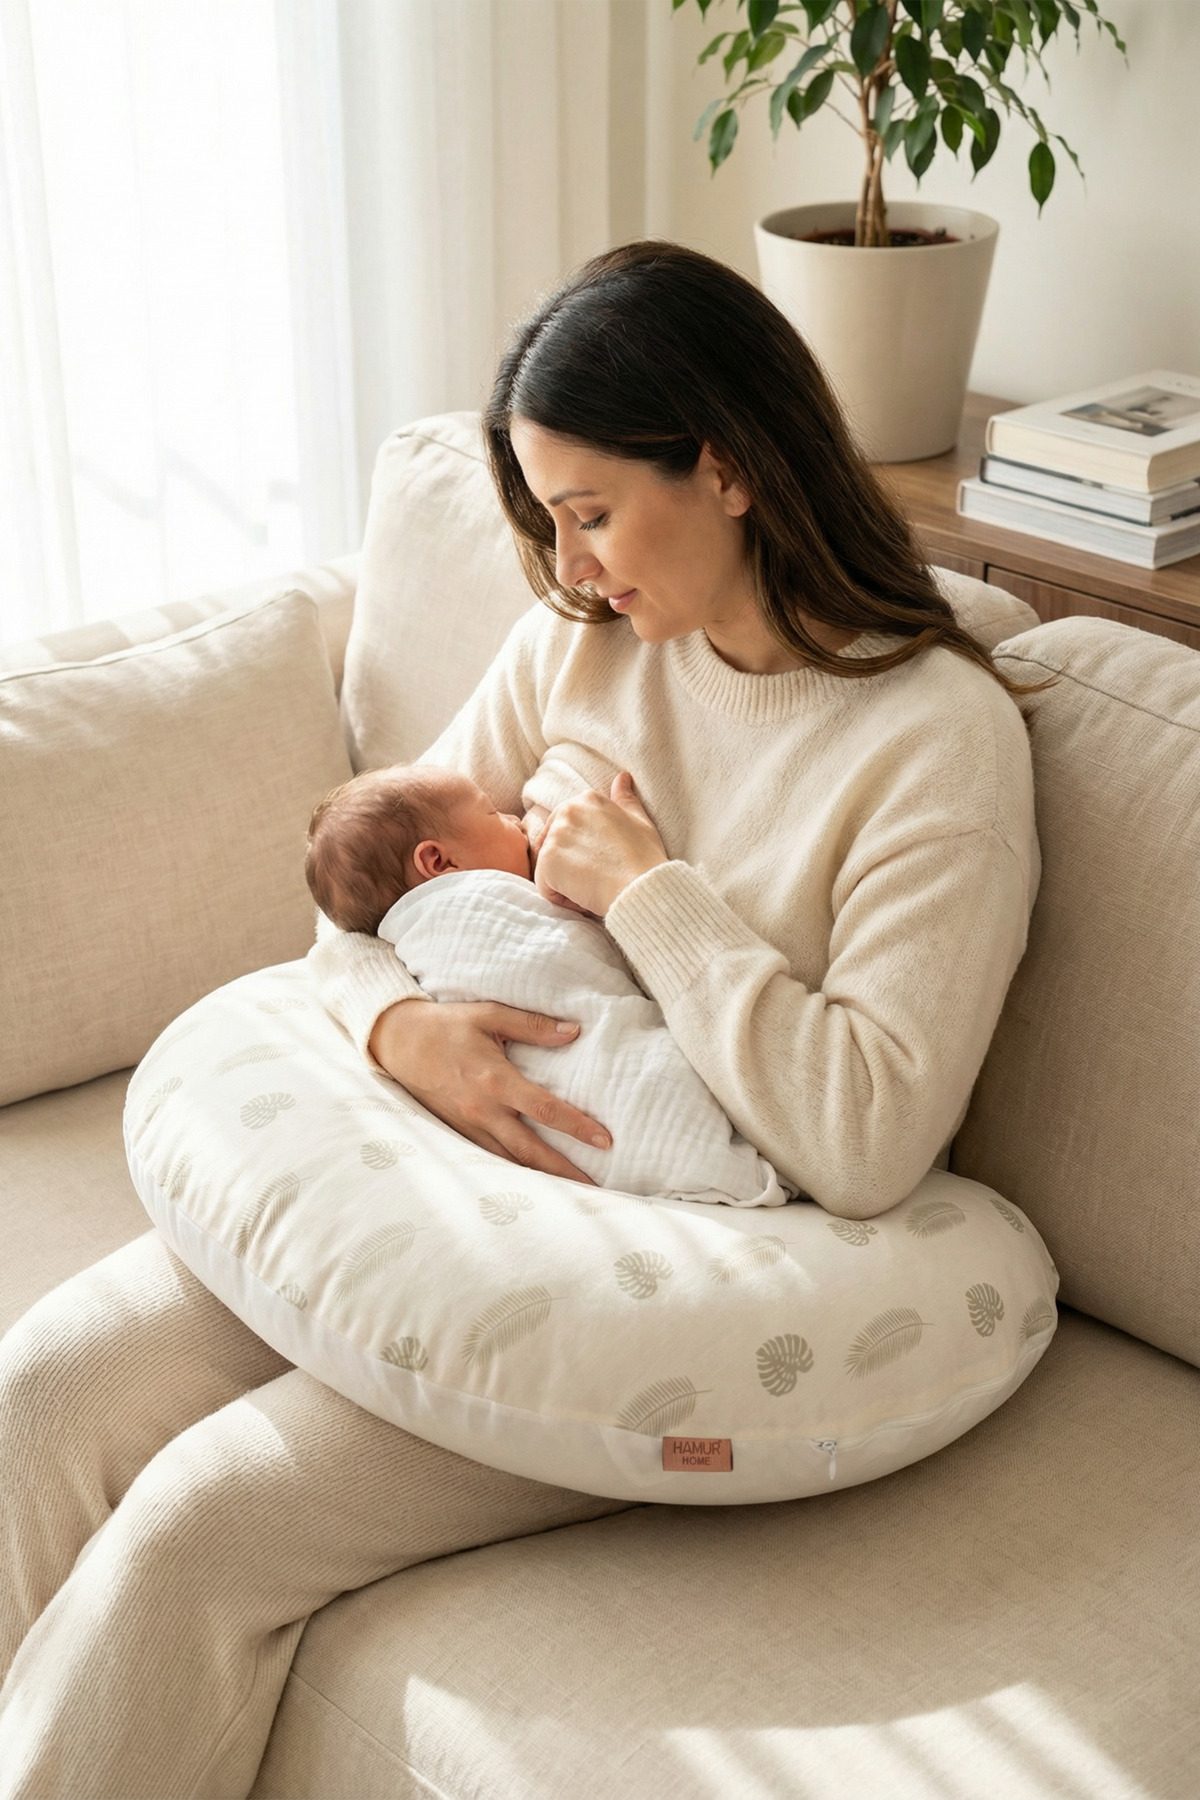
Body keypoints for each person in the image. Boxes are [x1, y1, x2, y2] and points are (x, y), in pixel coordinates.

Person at [0, 240, 1044, 1796]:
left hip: (647, 1279)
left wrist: (650, 894)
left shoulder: (935, 746)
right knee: (47, 1387)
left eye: (593, 515)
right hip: (440, 1194)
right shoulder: (583, 643)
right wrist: (395, 1033)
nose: (571, 571)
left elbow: (874, 1131)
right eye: (554, 526)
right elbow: (366, 890)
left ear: (733, 465)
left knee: (198, 1532)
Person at [304, 762, 791, 1203]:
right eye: (495, 813)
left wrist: (635, 885)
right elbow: (344, 909)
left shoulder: (429, 821)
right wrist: (399, 1026)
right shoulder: (449, 901)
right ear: (438, 863)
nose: (518, 820)